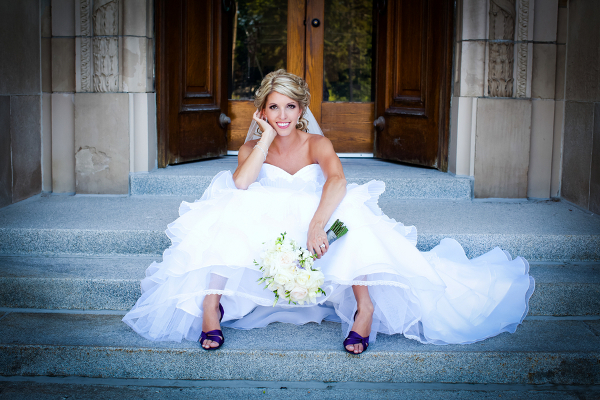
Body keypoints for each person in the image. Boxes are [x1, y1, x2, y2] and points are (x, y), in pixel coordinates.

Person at [123, 69, 534, 354]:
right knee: (231, 209)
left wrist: (318, 224)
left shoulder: (316, 145)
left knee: (350, 219)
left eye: (290, 108)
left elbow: (338, 181)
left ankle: (365, 308)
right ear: (262, 112)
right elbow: (243, 184)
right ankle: (212, 305)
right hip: (266, 213)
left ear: (302, 111)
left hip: (313, 212)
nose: (282, 117)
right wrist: (263, 140)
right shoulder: (253, 147)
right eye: (273, 109)